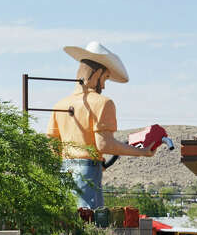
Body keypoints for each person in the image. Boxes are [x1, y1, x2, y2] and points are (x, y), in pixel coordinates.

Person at [46, 41, 153, 212]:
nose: (103, 85)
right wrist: (142, 152)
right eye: (105, 78)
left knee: (66, 218)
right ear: (97, 74)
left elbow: (53, 145)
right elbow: (104, 145)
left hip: (64, 170)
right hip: (88, 170)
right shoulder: (103, 103)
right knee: (90, 219)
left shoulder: (60, 104)